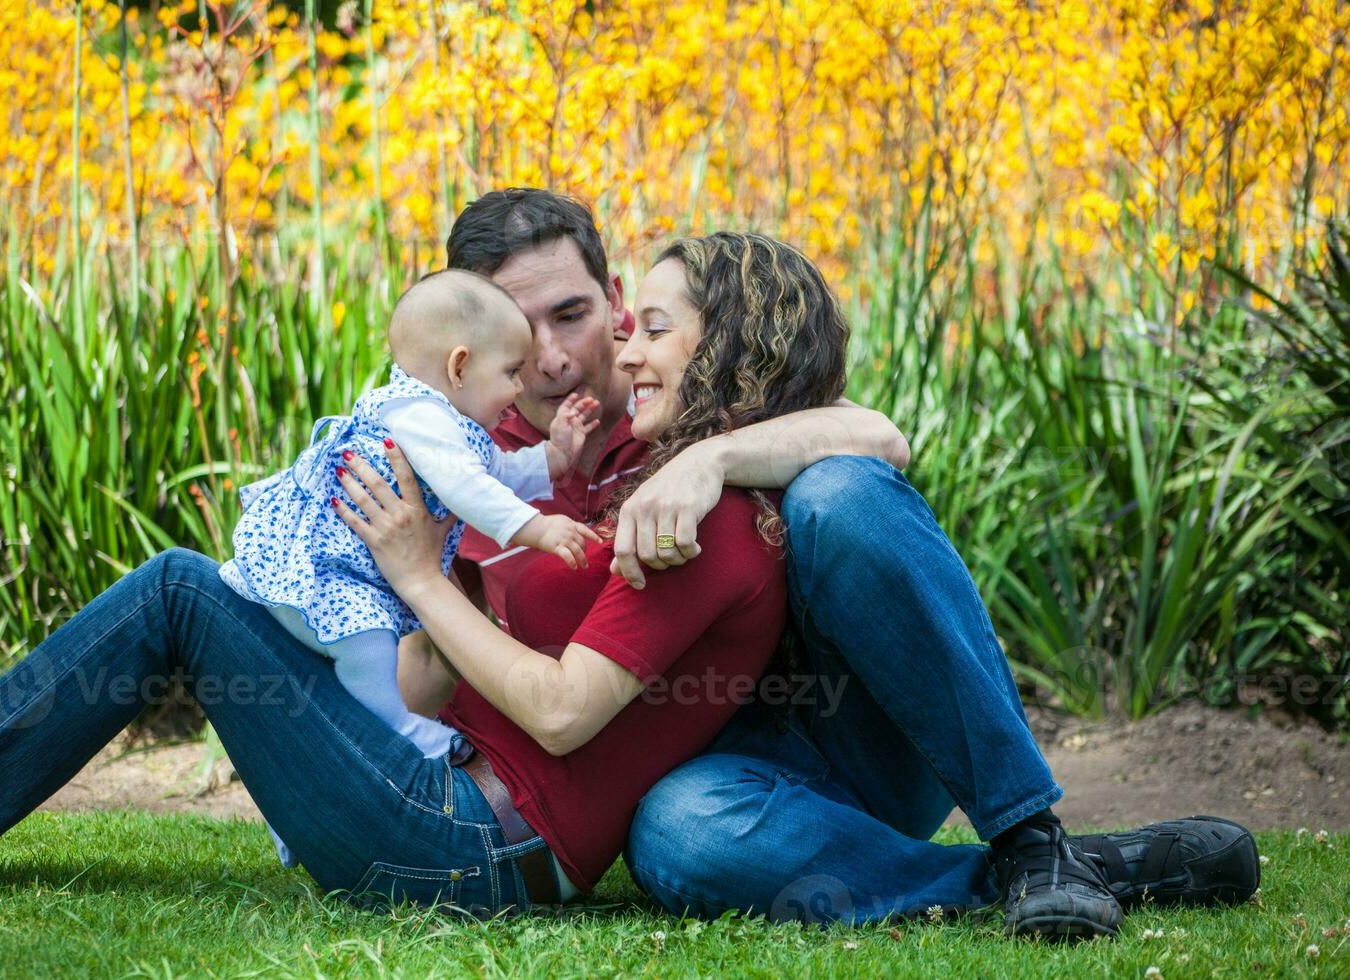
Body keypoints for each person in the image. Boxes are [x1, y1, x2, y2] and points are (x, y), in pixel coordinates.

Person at [0, 230, 853, 918]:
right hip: (451, 801)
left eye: (651, 328)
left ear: (726, 348)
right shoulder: (670, 492)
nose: (621, 348)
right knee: (194, 590)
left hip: (470, 844)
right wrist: (381, 590)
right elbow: (442, 668)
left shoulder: (701, 523)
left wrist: (414, 574)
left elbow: (561, 714)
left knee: (180, 587)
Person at [417, 189, 1260, 939]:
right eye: (522, 334)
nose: (555, 356)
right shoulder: (469, 470)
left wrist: (705, 461)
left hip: (862, 727)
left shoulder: (696, 404)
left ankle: (1029, 835)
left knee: (838, 495)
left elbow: (877, 440)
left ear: (615, 303)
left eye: (574, 317)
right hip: (725, 773)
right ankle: (1052, 876)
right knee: (676, 834)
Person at [220, 269, 601, 868]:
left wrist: (553, 456)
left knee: (329, 701)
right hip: (325, 574)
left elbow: (493, 474)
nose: (519, 387)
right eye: (509, 372)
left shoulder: (452, 424)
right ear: (458, 366)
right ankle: (400, 731)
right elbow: (467, 489)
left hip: (349, 574)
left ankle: (299, 808)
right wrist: (539, 527)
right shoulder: (418, 416)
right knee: (368, 657)